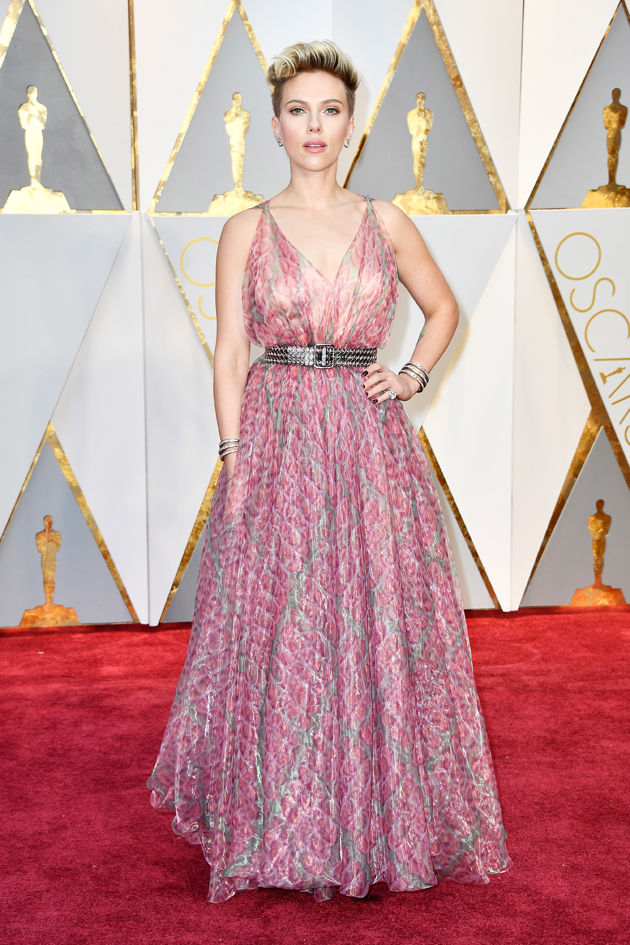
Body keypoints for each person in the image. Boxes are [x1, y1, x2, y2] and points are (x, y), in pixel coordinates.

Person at [148, 40, 511, 903]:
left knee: (367, 620)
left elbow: (443, 305)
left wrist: (412, 373)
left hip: (364, 438)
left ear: (351, 124)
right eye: (300, 111)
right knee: (286, 627)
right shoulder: (245, 227)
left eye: (332, 110)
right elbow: (231, 354)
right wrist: (235, 460)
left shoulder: (385, 222)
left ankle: (372, 821)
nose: (316, 126)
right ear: (275, 126)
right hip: (275, 439)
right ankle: (282, 820)